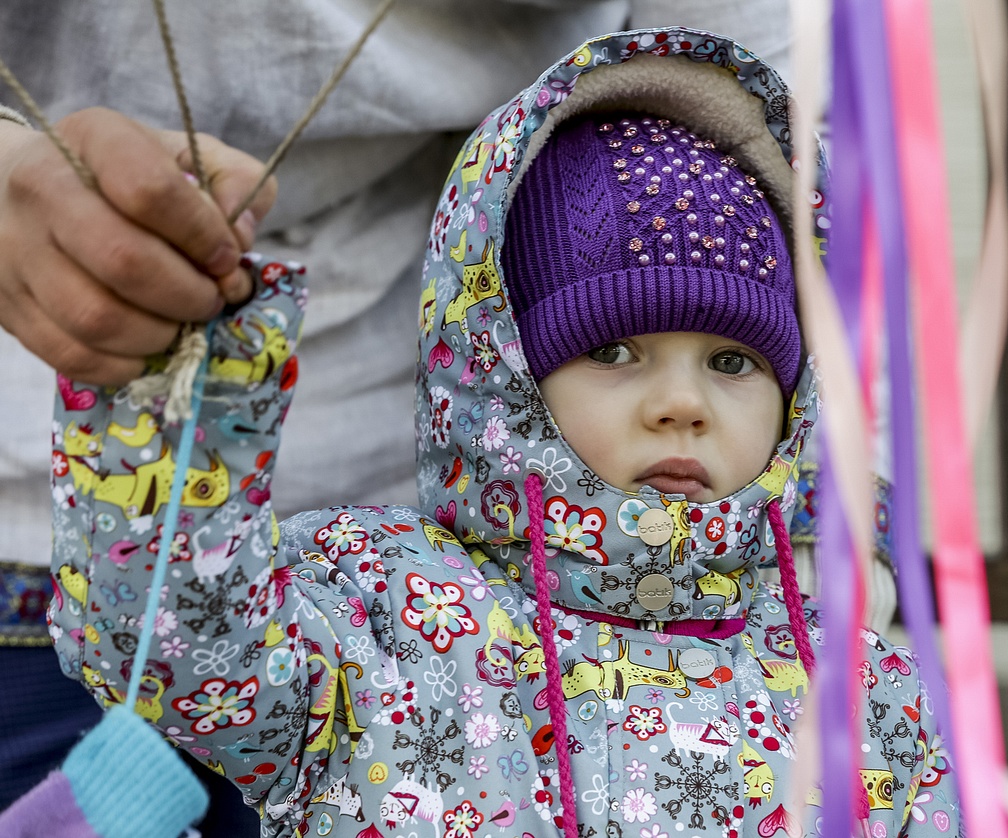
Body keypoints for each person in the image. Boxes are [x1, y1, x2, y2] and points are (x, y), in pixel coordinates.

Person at [44, 25, 956, 838]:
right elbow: (176, 655)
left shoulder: (864, 690)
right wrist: (180, 389)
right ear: (503, 368)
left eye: (732, 362)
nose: (684, 403)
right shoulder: (379, 616)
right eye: (613, 348)